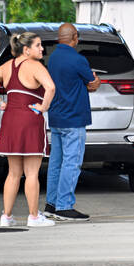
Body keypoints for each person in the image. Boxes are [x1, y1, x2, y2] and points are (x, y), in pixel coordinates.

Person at [0, 32, 56, 227]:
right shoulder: (35, 66)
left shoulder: (7, 67)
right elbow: (51, 87)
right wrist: (44, 107)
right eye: (38, 45)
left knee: (13, 173)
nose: (42, 49)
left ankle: (6, 216)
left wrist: (1, 102)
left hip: (10, 120)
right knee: (31, 173)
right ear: (26, 49)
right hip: (30, 119)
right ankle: (33, 216)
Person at [43, 23, 100, 221]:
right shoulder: (78, 59)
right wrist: (96, 80)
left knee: (56, 163)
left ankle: (51, 204)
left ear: (59, 38)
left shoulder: (53, 58)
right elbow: (92, 83)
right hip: (74, 119)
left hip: (56, 117)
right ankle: (64, 206)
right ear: (74, 37)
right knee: (72, 163)